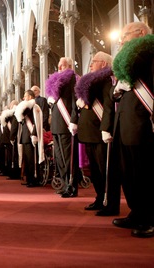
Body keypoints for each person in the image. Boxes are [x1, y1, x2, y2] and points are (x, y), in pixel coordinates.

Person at [110, 21, 154, 238]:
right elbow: (113, 94)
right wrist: (117, 90)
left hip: (142, 122)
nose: (121, 40)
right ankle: (136, 213)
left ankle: (150, 219)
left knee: (144, 173)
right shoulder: (127, 61)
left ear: (141, 33)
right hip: (125, 124)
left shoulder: (149, 53)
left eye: (125, 35)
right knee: (129, 174)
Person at [75, 52, 119, 216]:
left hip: (100, 132)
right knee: (95, 170)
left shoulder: (106, 81)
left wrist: (106, 128)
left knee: (106, 170)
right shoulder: (91, 82)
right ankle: (100, 198)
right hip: (89, 132)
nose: (91, 64)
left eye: (94, 61)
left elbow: (108, 106)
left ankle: (111, 203)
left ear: (104, 64)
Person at [45, 57, 81, 197]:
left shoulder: (72, 78)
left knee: (68, 158)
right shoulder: (55, 82)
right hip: (56, 124)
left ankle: (72, 186)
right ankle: (65, 184)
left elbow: (74, 100)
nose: (60, 68)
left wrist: (73, 120)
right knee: (59, 158)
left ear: (70, 66)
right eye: (59, 65)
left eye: (63, 65)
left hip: (66, 124)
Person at [11, 90, 44, 187]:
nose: (24, 98)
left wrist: (34, 134)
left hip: (31, 137)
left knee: (32, 160)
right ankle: (29, 179)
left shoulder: (35, 107)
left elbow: (37, 123)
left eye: (25, 96)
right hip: (25, 136)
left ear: (30, 97)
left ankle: (34, 180)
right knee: (27, 160)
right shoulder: (26, 108)